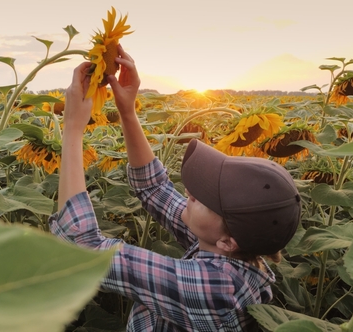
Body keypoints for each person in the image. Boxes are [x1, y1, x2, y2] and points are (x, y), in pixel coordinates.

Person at [49, 45, 301, 332]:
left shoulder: (215, 289)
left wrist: (72, 128)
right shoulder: (230, 251)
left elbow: (83, 248)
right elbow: (154, 188)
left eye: (205, 198)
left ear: (227, 241)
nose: (190, 195)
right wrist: (127, 110)